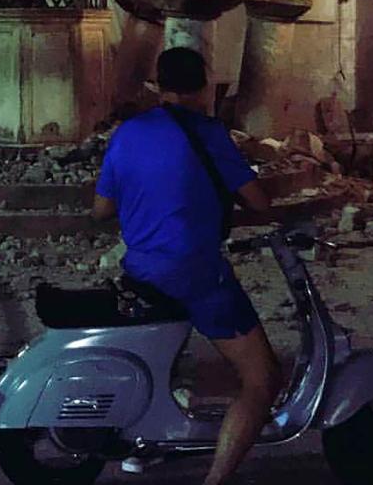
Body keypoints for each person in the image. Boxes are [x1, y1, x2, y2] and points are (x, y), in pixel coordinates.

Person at [92, 47, 280, 485]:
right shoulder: (209, 134)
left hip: (139, 270)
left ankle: (144, 448)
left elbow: (101, 209)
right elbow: (259, 202)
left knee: (164, 366)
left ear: (159, 86)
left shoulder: (127, 134)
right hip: (196, 272)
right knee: (262, 377)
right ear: (204, 87)